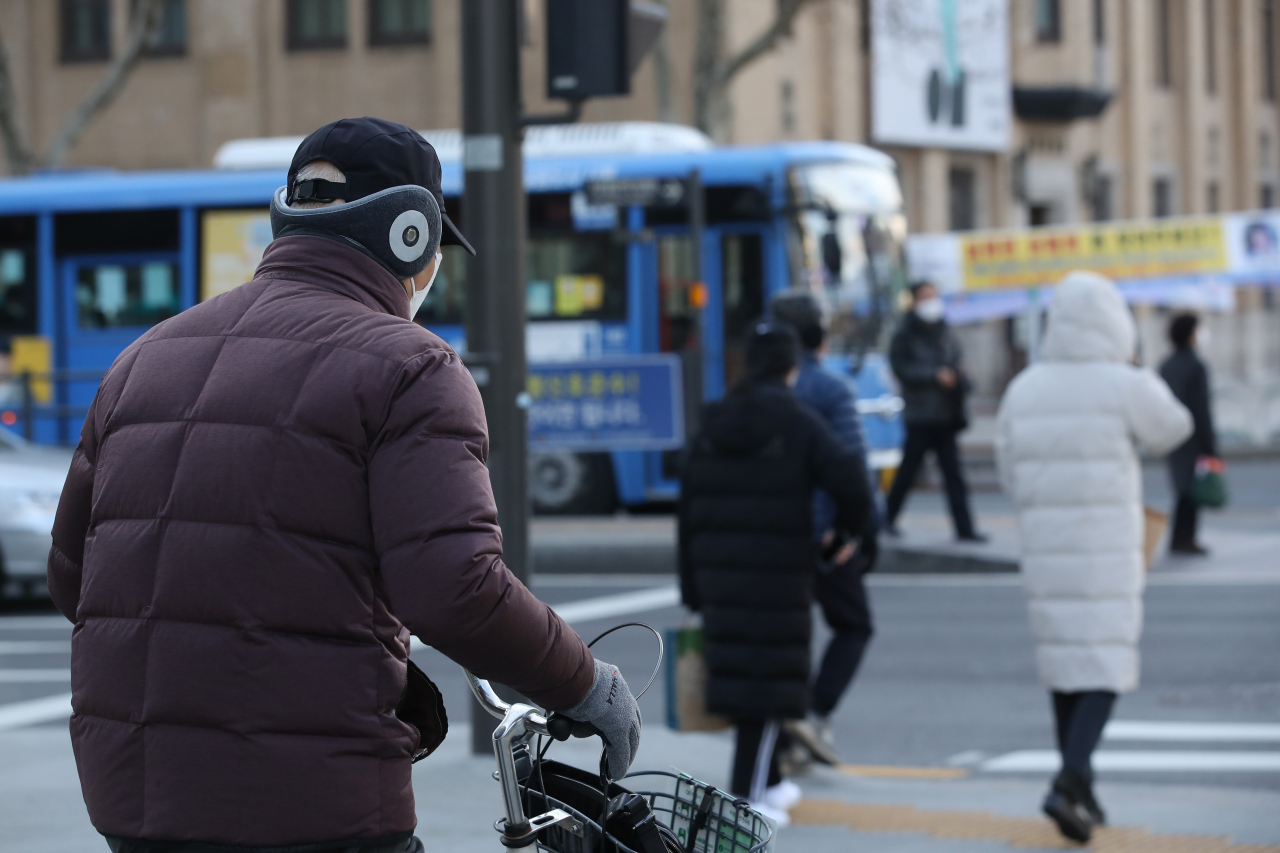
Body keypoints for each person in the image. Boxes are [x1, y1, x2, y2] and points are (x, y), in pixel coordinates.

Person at [47, 117, 641, 853]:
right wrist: (583, 682)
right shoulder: (411, 367)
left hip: (134, 799)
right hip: (313, 805)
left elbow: (74, 579)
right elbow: (456, 587)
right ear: (410, 236)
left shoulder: (141, 359)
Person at [995, 271, 1191, 844]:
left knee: (1065, 667)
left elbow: (1009, 472)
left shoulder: (1024, 388)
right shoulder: (1122, 382)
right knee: (1104, 662)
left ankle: (1085, 791)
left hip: (1045, 546)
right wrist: (1135, 364)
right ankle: (1069, 779)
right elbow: (1174, 428)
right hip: (1106, 544)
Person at [678, 322, 872, 826]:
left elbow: (688, 507)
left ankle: (768, 782)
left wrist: (692, 584)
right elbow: (853, 481)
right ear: (790, 367)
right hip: (779, 573)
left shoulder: (715, 421)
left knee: (752, 679)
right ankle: (746, 801)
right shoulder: (799, 422)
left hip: (720, 573)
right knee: (764, 690)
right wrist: (847, 534)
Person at [769, 289, 878, 767]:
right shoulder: (832, 389)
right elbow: (852, 467)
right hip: (824, 535)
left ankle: (783, 744)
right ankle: (813, 713)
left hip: (772, 537)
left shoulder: (760, 391)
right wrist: (854, 531)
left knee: (785, 637)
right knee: (853, 625)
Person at [884, 281, 985, 541]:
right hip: (920, 416)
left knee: (954, 475)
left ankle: (965, 528)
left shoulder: (945, 331)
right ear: (914, 301)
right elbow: (901, 370)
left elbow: (958, 364)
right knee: (907, 472)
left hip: (946, 414)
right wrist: (934, 376)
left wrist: (961, 379)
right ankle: (886, 519)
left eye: (934, 295)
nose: (932, 301)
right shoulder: (904, 334)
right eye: (926, 296)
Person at [1159, 313, 1218, 555]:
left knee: (1181, 487)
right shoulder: (1196, 365)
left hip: (1171, 434)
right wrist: (1210, 443)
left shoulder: (1166, 364)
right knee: (1192, 488)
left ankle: (1179, 537)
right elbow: (1201, 407)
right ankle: (1185, 537)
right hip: (1192, 435)